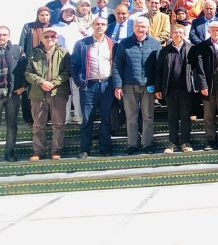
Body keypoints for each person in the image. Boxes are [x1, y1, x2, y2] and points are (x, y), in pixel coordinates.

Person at [113, 16, 160, 155]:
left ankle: (147, 144)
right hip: (129, 85)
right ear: (133, 27)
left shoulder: (155, 44)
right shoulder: (124, 43)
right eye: (138, 26)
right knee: (131, 116)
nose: (141, 29)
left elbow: (159, 67)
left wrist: (158, 86)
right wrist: (118, 86)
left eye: (143, 26)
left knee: (148, 116)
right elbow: (117, 65)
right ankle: (132, 144)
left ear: (148, 28)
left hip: (148, 85)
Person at [70, 18, 114, 158]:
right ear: (92, 26)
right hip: (89, 86)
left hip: (107, 85)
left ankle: (105, 148)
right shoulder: (82, 44)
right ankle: (85, 149)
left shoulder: (112, 44)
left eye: (103, 24)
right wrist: (80, 82)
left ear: (106, 27)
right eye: (97, 24)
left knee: (106, 119)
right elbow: (74, 65)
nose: (100, 26)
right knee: (87, 119)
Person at [25, 27, 70, 161]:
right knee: (38, 124)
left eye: (53, 36)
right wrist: (42, 82)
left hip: (58, 92)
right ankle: (38, 151)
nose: (50, 39)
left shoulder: (64, 52)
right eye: (46, 36)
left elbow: (68, 71)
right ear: (41, 38)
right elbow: (28, 73)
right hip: (38, 93)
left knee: (58, 123)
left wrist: (54, 83)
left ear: (57, 38)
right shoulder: (34, 53)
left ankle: (57, 149)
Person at [155, 24, 196, 154]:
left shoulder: (191, 49)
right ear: (171, 34)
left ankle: (185, 142)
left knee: (185, 117)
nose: (178, 35)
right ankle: (172, 142)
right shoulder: (164, 51)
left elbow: (196, 69)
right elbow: (159, 70)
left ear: (184, 34)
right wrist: (158, 89)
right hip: (170, 89)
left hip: (186, 89)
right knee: (172, 117)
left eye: (180, 32)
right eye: (175, 32)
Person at [194, 21, 218, 150]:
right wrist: (203, 85)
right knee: (208, 116)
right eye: (213, 30)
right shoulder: (202, 46)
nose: (216, 32)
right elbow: (199, 68)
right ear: (209, 31)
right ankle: (210, 140)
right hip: (209, 86)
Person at [19, 7, 53, 124]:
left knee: (46, 89)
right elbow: (22, 46)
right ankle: (29, 118)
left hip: (46, 63)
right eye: (42, 15)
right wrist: (24, 61)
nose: (44, 17)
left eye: (47, 15)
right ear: (38, 15)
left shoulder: (52, 27)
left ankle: (46, 117)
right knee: (28, 90)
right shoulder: (29, 27)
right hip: (31, 62)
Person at [0, 25, 26, 162]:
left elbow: (25, 68)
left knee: (11, 125)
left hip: (13, 95)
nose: (2, 37)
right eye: (0, 34)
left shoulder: (17, 50)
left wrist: (24, 87)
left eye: (4, 34)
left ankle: (9, 153)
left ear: (9, 36)